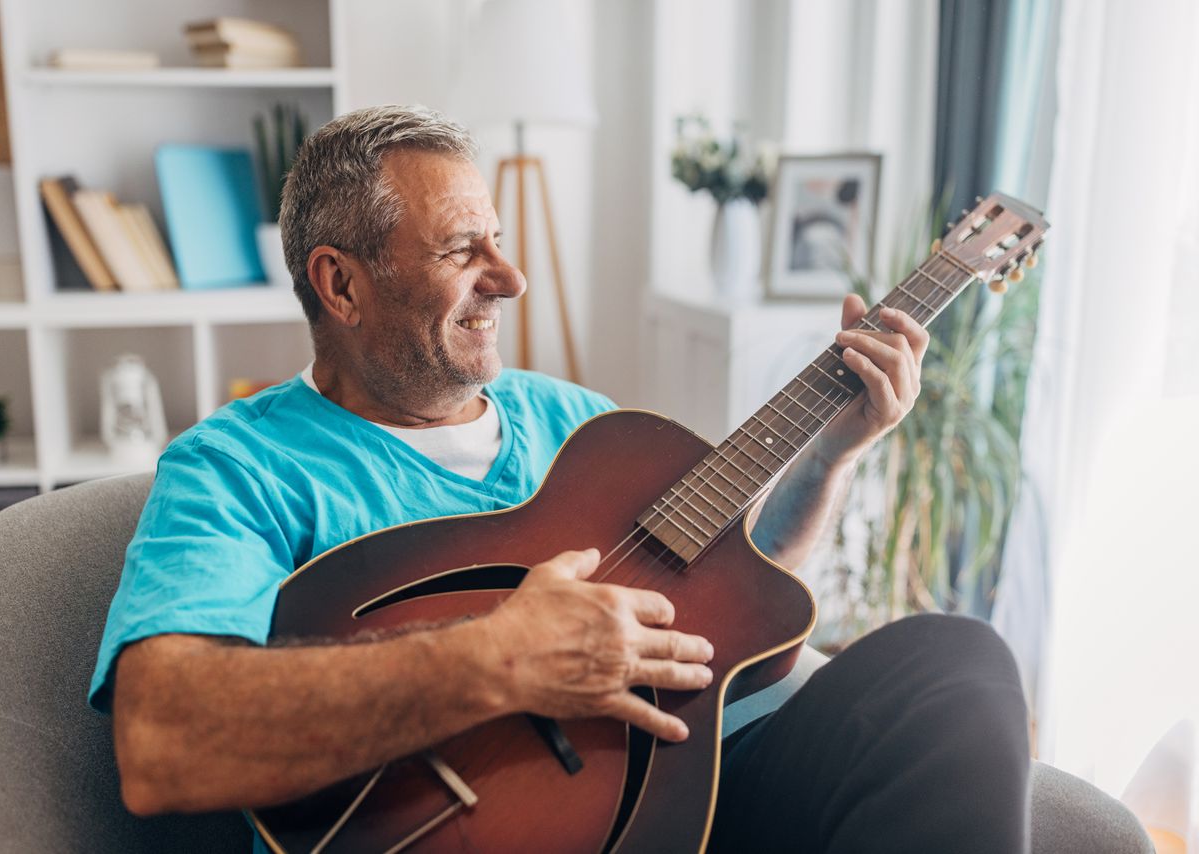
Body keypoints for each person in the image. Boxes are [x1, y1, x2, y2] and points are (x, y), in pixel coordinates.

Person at [90, 106, 1060, 852]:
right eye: (459, 250)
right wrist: (496, 656)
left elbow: (730, 603)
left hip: (678, 790)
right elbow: (161, 737)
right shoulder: (234, 467)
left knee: (955, 663)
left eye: (500, 240)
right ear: (339, 284)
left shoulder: (577, 423)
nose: (509, 278)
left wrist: (833, 450)